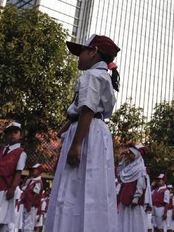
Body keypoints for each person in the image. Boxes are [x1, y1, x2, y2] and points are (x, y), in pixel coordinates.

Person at [45, 35, 120, 232]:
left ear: (93, 51)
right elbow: (77, 112)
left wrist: (76, 143)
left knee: (74, 187)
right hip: (94, 130)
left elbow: (87, 109)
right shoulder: (103, 77)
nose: (78, 57)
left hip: (87, 132)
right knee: (92, 187)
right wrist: (60, 134)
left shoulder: (91, 76)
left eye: (82, 52)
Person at [117, 145, 149, 232]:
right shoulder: (128, 167)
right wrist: (122, 161)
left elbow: (141, 183)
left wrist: (136, 197)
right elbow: (120, 175)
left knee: (135, 217)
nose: (129, 155)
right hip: (125, 196)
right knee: (125, 217)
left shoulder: (140, 169)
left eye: (131, 153)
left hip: (133, 199)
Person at [20, 164, 43, 232]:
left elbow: (36, 194)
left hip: (31, 206)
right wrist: (28, 177)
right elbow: (23, 187)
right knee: (24, 222)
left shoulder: (38, 182)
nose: (32, 171)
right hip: (25, 204)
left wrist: (30, 204)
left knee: (29, 224)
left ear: (39, 171)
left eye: (34, 170)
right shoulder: (30, 180)